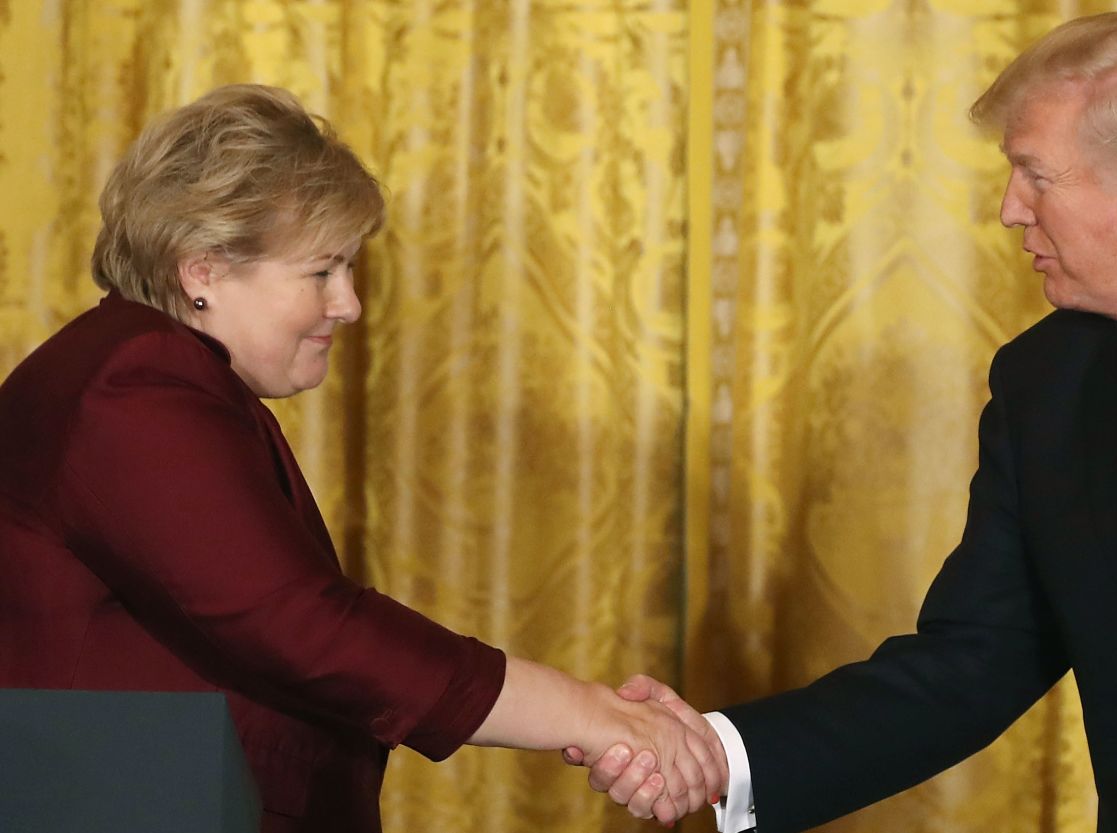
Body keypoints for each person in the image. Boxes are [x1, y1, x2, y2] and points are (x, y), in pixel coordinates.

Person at [572, 10, 1117, 833]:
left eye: (1034, 174)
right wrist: (724, 754)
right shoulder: (1048, 379)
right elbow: (976, 659)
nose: (1009, 209)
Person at [0, 84, 721, 832]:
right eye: (321, 272)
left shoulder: (150, 370)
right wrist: (591, 713)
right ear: (202, 270)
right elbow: (300, 624)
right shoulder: (134, 379)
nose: (349, 304)